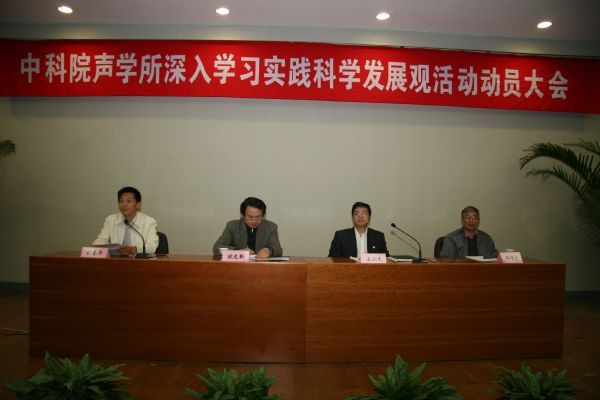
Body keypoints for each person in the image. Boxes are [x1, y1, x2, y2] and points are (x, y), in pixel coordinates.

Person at [93, 186, 159, 256]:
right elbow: (100, 241)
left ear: (138, 205)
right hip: (116, 260)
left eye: (128, 201)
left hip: (138, 261)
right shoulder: (111, 220)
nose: (124, 205)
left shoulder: (149, 222)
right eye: (121, 201)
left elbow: (152, 247)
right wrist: (95, 248)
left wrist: (134, 249)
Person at [213, 197, 282, 259]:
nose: (254, 221)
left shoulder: (271, 227)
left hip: (262, 266)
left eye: (258, 217)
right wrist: (238, 251)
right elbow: (217, 248)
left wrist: (269, 250)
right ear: (243, 215)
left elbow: (278, 249)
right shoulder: (232, 226)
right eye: (250, 217)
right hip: (238, 266)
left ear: (263, 215)